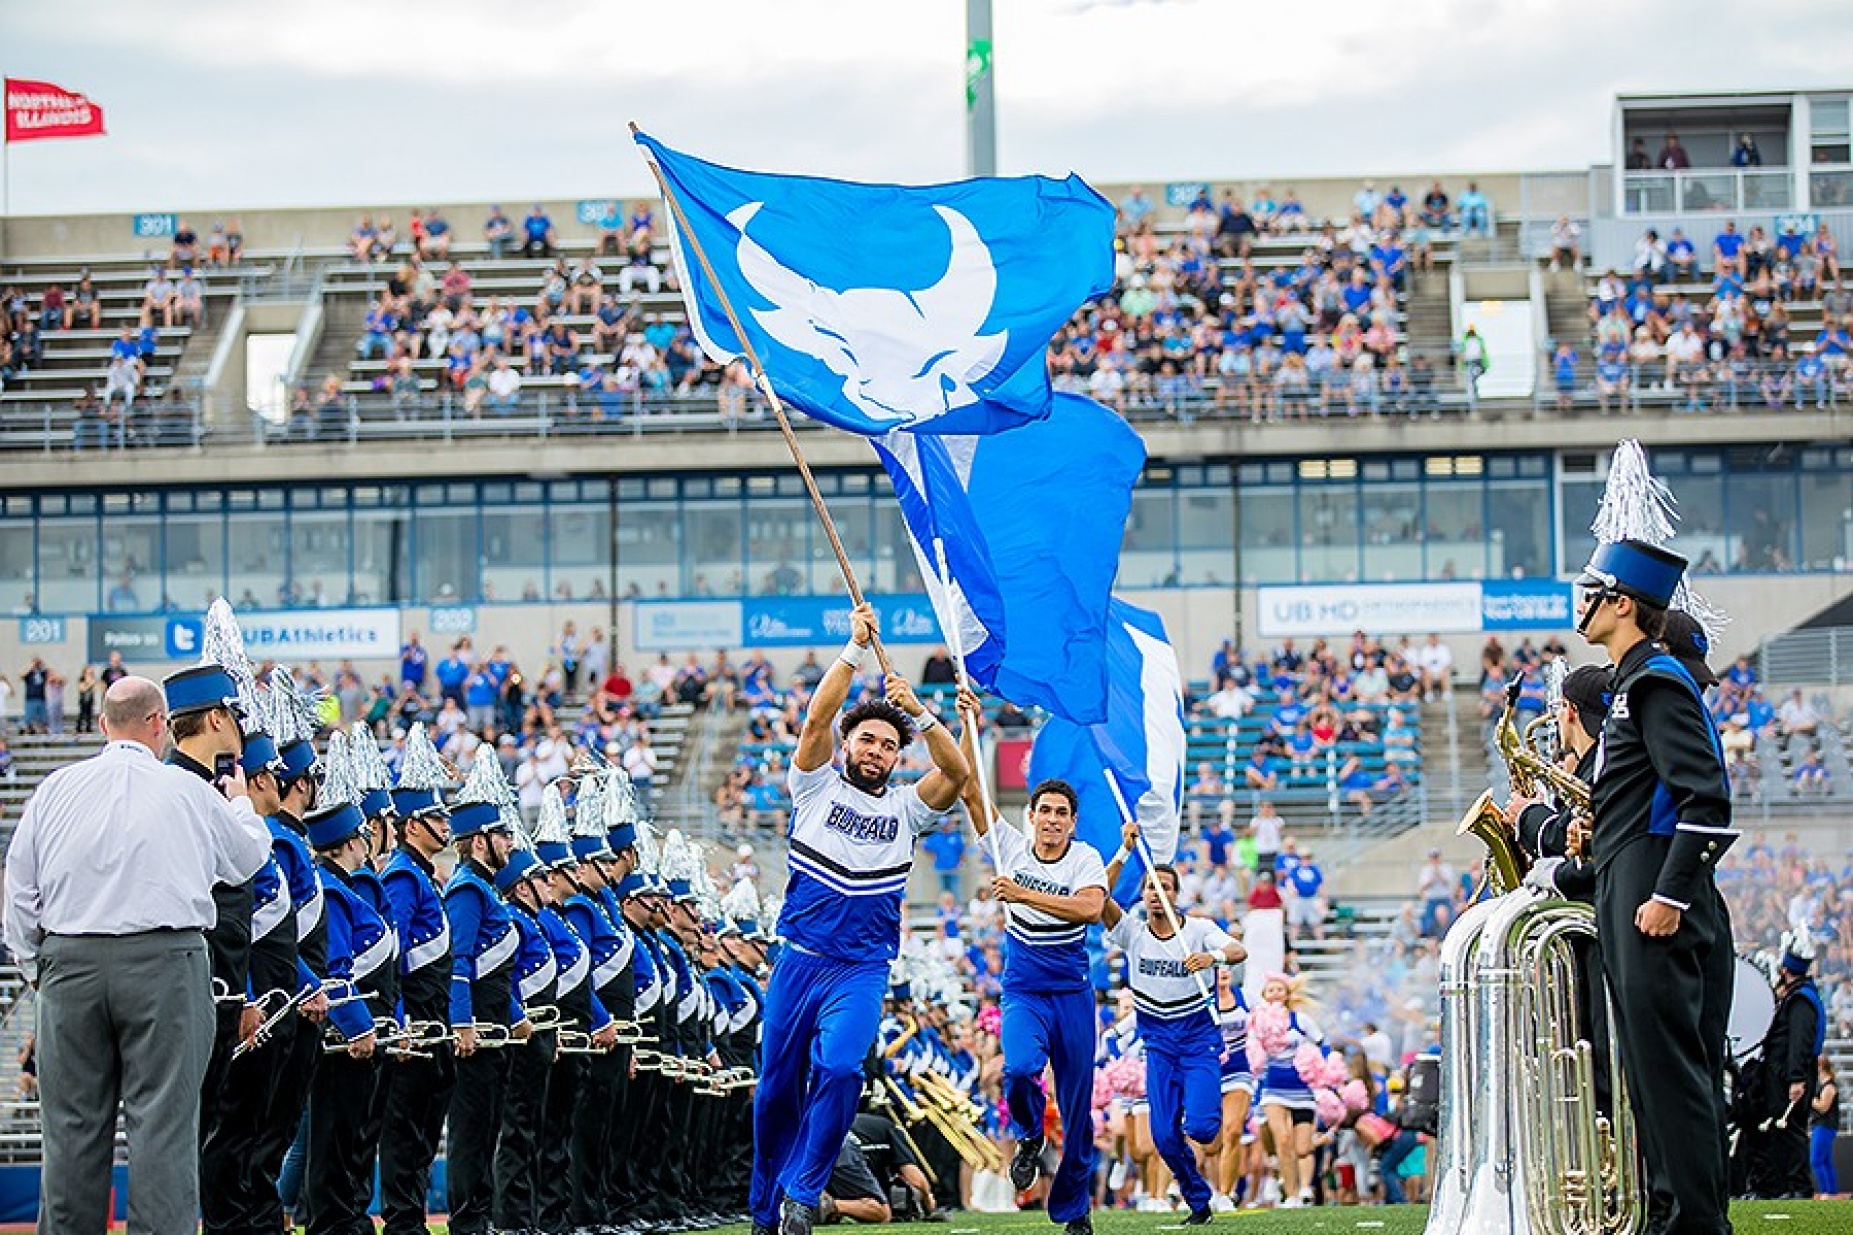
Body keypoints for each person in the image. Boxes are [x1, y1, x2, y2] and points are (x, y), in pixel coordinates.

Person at [2, 673, 270, 1235]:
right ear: (159, 724)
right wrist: (244, 805)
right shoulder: (186, 789)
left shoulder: (54, 789)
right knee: (163, 1132)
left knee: (72, 1136)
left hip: (69, 963)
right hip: (165, 965)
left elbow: (18, 896)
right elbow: (246, 858)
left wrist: (40, 968)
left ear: (103, 725)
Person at [748, 602, 968, 1235]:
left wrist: (922, 715)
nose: (876, 749)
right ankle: (767, 1210)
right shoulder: (815, 787)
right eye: (867, 739)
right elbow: (817, 716)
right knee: (773, 1095)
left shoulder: (907, 808)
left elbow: (956, 771)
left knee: (843, 1068)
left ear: (899, 757)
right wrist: (852, 650)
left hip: (862, 968)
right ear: (849, 745)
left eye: (889, 744)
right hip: (799, 959)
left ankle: (803, 1192)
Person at [1575, 533, 1737, 1234]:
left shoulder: (1654, 680)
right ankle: (1670, 1210)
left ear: (1619, 603)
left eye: (1591, 593)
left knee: (1669, 1070)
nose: (1580, 606)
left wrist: (1668, 894)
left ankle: (1696, 1221)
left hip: (1651, 890)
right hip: (1626, 882)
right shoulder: (1629, 684)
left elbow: (1704, 798)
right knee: (1646, 1070)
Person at [960, 698, 1106, 1235]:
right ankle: (1027, 1132)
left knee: (1078, 1106)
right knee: (1019, 1069)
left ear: (1071, 823)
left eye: (1060, 814)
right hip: (1024, 989)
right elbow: (970, 788)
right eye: (1043, 811)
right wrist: (967, 725)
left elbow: (1090, 908)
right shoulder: (1009, 848)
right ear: (1032, 816)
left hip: (1071, 992)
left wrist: (1023, 893)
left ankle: (1074, 1211)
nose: (1050, 821)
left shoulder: (1084, 859)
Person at [1099, 840, 1246, 1224]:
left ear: (1176, 894)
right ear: (1143, 893)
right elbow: (1097, 898)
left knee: (1201, 1127)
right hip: (1158, 1046)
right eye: (1150, 887)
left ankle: (1203, 1126)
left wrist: (1210, 957)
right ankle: (1198, 1201)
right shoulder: (1131, 931)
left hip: (1197, 1042)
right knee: (1163, 1137)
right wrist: (1123, 852)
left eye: (1165, 886)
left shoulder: (1198, 930)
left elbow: (1238, 951)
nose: (1157, 893)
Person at [1744, 933, 1825, 1199]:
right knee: (1782, 1132)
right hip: (1783, 1075)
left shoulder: (1801, 1001)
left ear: (1785, 969)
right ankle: (1783, 1186)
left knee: (1791, 1132)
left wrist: (1796, 1078)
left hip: (1788, 1077)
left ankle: (1798, 1187)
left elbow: (1799, 1044)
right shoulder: (1799, 997)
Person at [1809, 1056, 1838, 1197]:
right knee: (1825, 1161)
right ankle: (1831, 1190)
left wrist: (1810, 1099)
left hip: (1824, 1126)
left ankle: (1827, 1191)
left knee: (1816, 1160)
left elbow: (1823, 1107)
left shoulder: (1829, 1087)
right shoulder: (1822, 1085)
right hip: (1820, 1126)